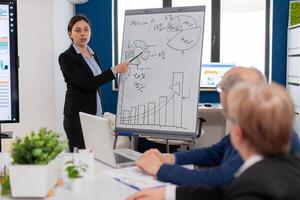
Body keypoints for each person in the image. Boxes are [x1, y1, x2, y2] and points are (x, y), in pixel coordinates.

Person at [127, 82, 300, 200]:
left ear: (237, 133)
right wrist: (169, 193)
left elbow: (229, 186)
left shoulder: (252, 185)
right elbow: (223, 190)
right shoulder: (289, 165)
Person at [59, 15, 128, 152]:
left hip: (95, 114)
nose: (83, 33)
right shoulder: (66, 57)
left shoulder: (93, 54)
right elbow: (87, 84)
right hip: (77, 118)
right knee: (81, 161)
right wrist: (114, 71)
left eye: (86, 29)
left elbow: (96, 82)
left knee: (96, 158)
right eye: (77, 30)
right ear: (70, 33)